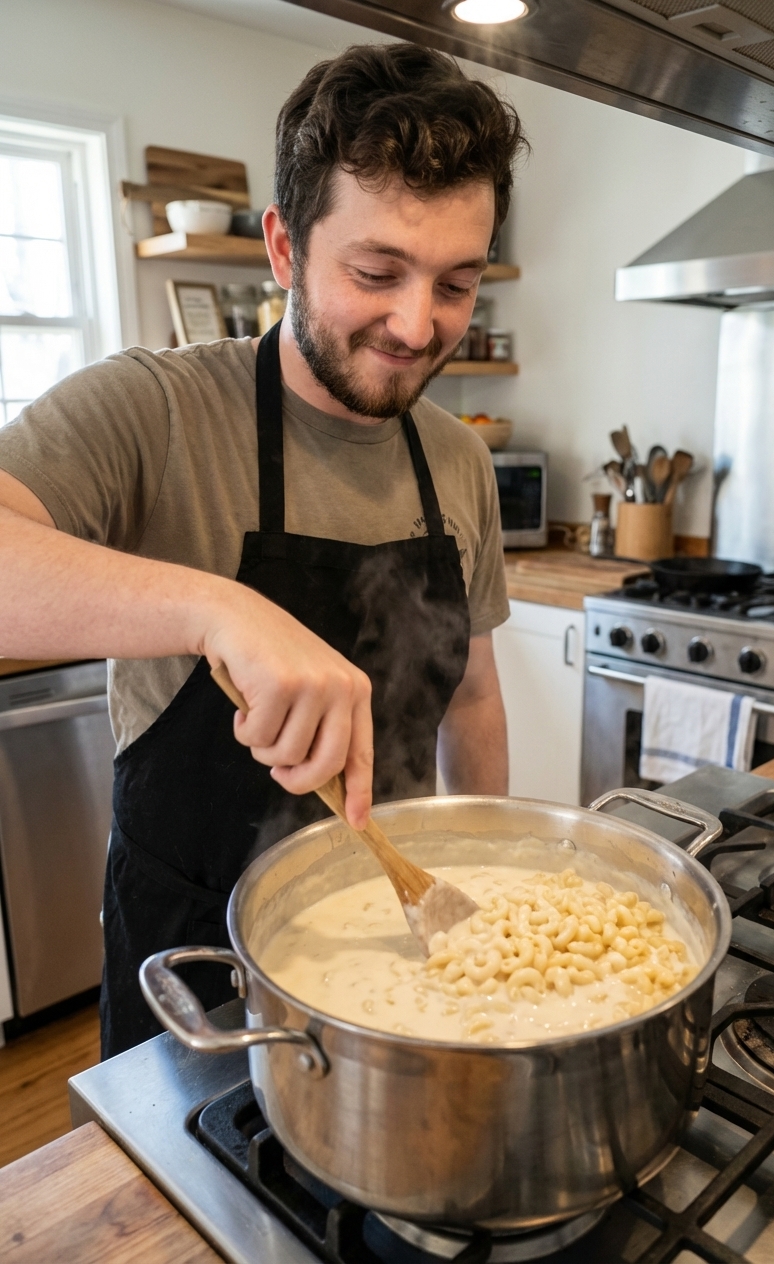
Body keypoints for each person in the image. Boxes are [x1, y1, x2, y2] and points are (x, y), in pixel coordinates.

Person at [0, 42, 528, 1057]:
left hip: (395, 945)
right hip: (192, 967)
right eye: (376, 272)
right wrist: (220, 610)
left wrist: (481, 879)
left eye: (457, 284)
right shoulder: (155, 410)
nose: (418, 326)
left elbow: (474, 701)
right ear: (283, 251)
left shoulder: (458, 462)